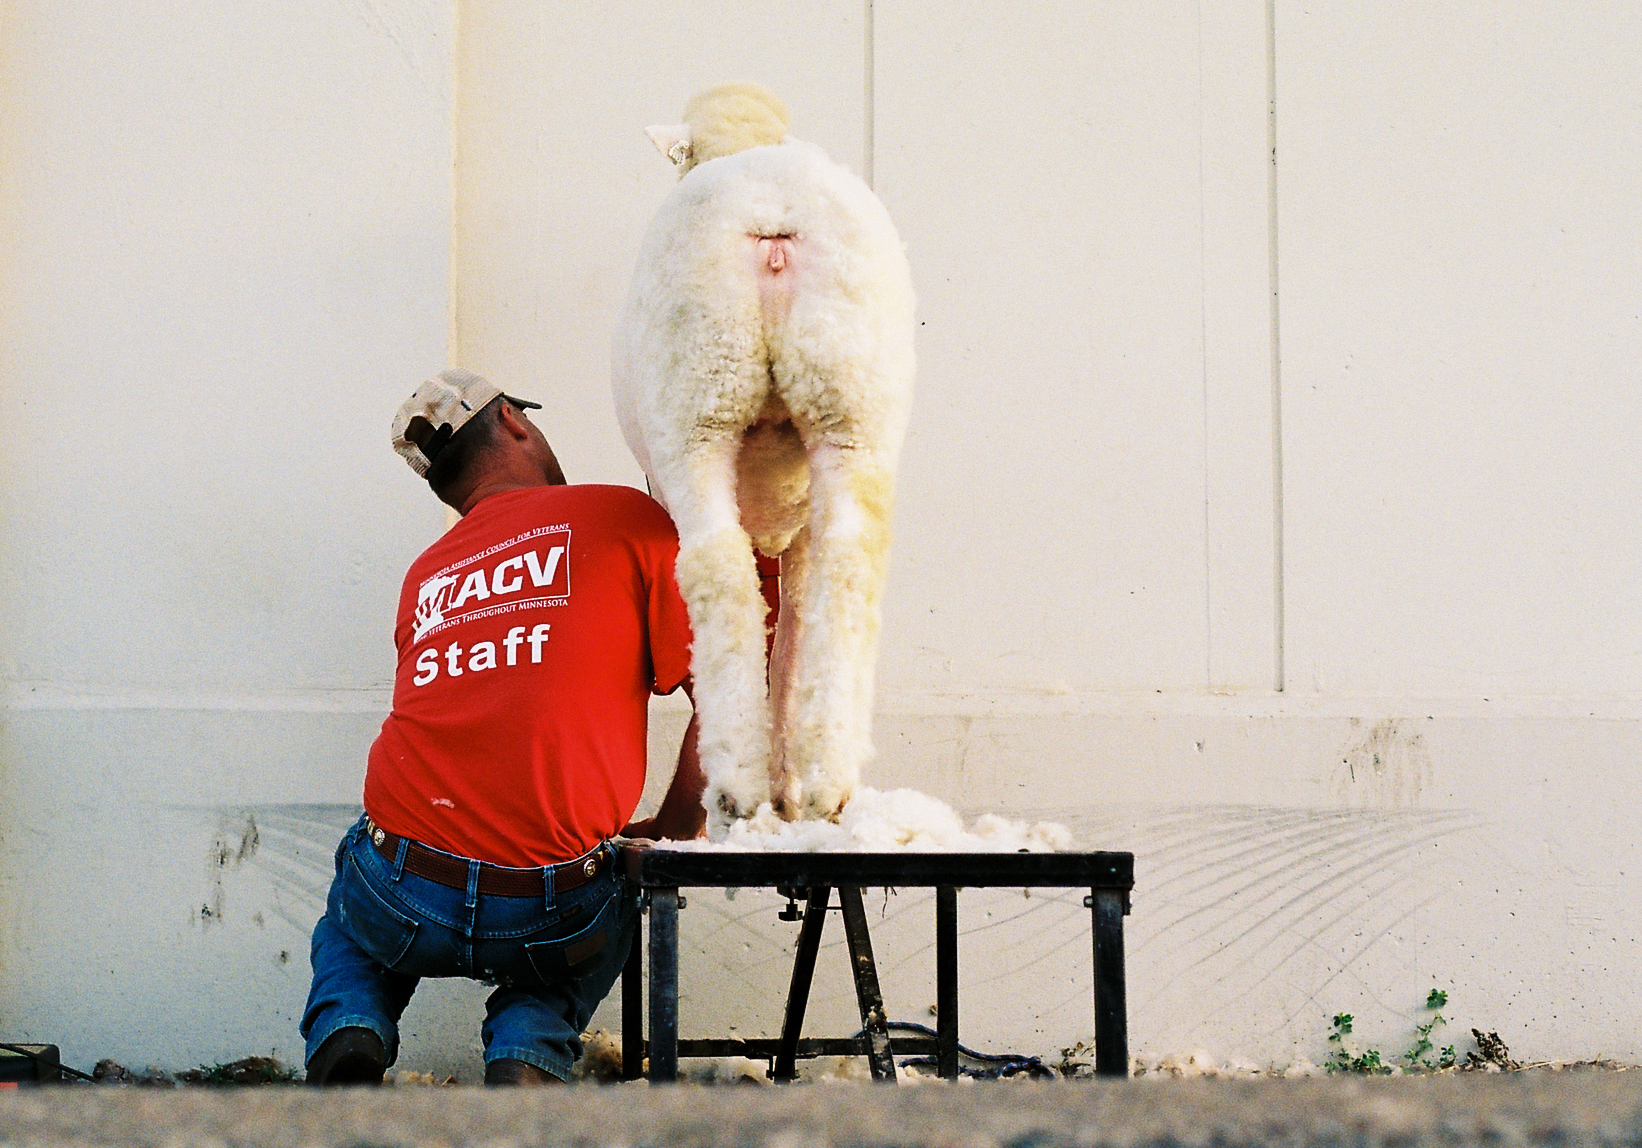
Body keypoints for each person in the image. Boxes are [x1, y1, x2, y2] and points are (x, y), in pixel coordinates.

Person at [300, 368, 704, 1085]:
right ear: (514, 421)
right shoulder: (625, 520)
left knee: (353, 918)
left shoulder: (428, 572)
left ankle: (350, 1023)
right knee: (596, 902)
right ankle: (528, 1052)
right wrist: (671, 834)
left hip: (402, 888)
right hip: (551, 906)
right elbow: (732, 700)